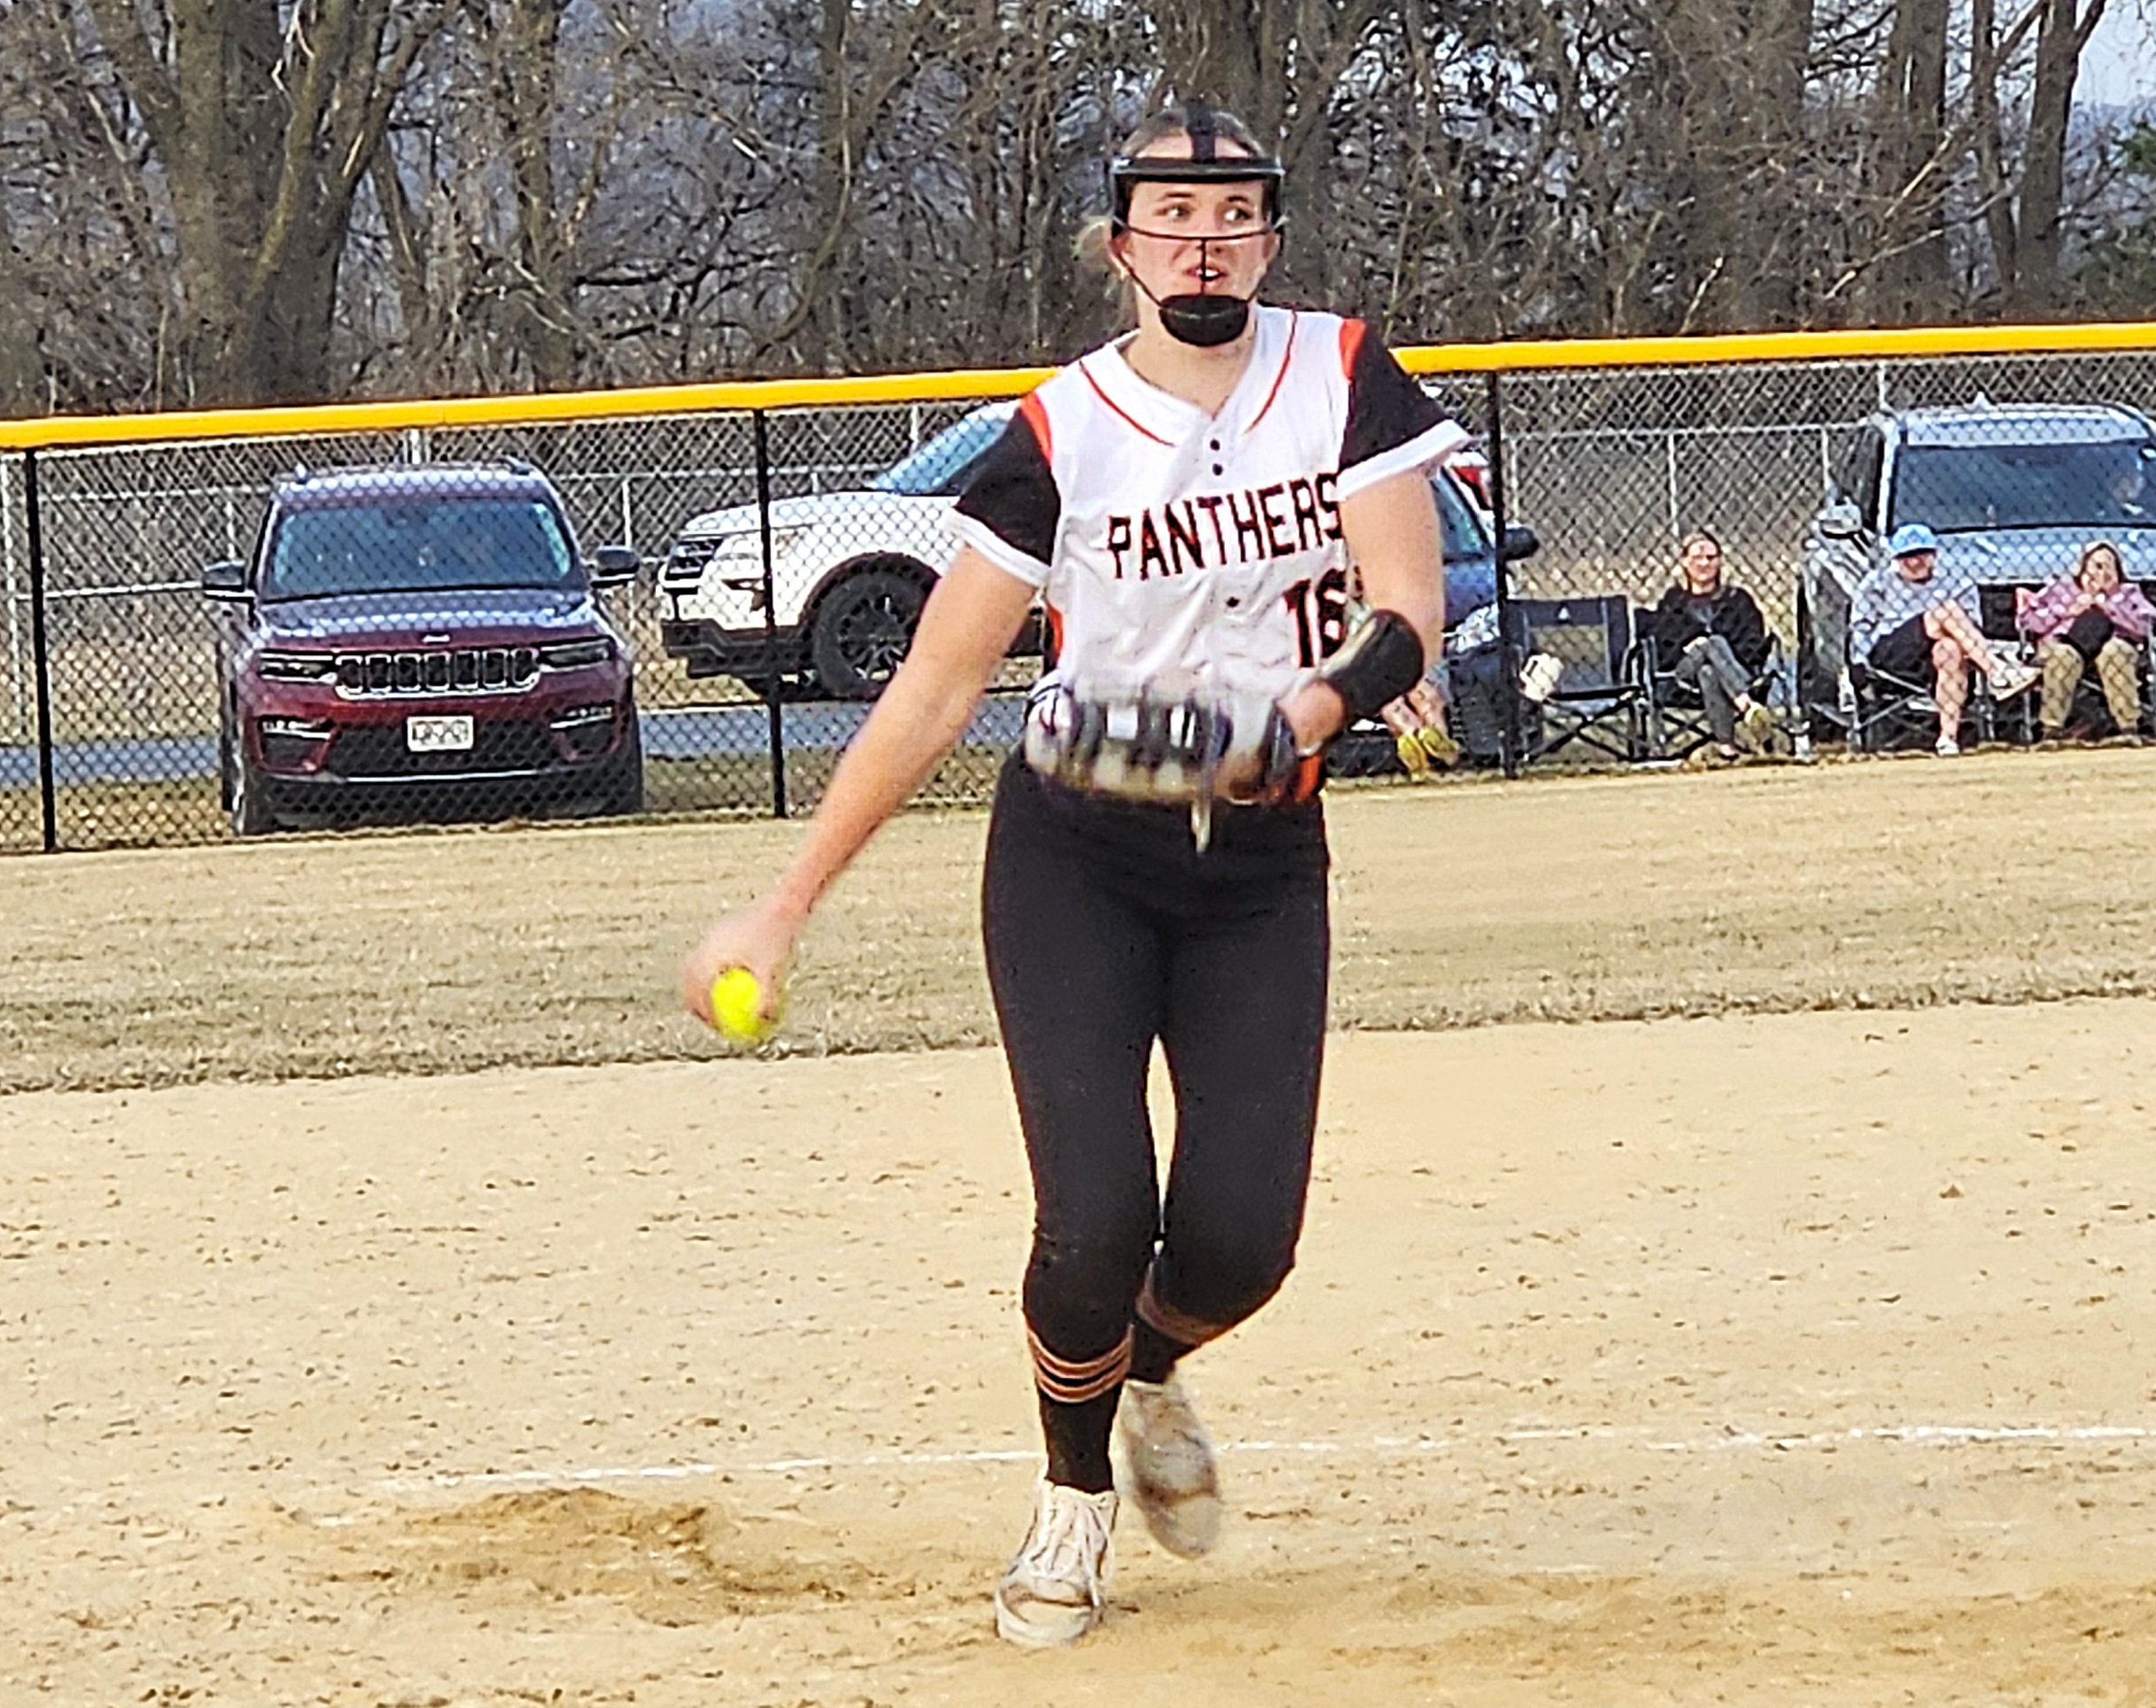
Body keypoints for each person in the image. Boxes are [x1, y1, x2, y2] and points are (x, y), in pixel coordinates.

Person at [680, 100, 1462, 1647]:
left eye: (1233, 213)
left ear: (1270, 234)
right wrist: (786, 901)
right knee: (1094, 1217)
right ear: (1121, 247)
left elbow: (1408, 610)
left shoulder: (1342, 372)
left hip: (1260, 854)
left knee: (1241, 1240)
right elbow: (931, 686)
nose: (1204, 238)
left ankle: (1155, 1359)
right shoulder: (1068, 428)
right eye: (1172, 217)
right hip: (1075, 851)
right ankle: (1073, 1493)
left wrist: (1301, 714)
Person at [1847, 522, 2037, 756]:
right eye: (1907, 556)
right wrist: (1859, 661)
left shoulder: (1957, 581)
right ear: (1895, 558)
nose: (1915, 561)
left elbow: (1971, 626)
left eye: (1922, 554)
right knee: (1944, 611)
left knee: (1949, 650)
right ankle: (1997, 670)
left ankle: (1947, 738)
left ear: (1934, 555)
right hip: (1892, 652)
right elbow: (1861, 626)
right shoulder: (1877, 583)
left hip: (1938, 654)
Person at [1640, 530, 1779, 760]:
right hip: (1684, 678)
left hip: (1735, 673)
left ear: (1720, 561)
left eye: (1711, 558)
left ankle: (1727, 748)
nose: (1704, 563)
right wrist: (1697, 646)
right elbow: (1664, 650)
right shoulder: (1673, 602)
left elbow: (1754, 644)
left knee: (1710, 670)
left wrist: (1720, 655)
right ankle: (1746, 705)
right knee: (1710, 646)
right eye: (1697, 558)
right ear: (1684, 562)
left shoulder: (1739, 600)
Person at [2017, 538, 2153, 739]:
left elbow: (2145, 626)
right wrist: (2067, 611)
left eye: (2109, 566)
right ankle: (2051, 730)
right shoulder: (2061, 589)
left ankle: (2129, 728)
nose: (2102, 572)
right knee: (2063, 654)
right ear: (2082, 568)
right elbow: (2027, 622)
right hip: (2066, 644)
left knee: (2114, 652)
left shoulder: (2129, 593)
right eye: (2096, 566)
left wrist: (2110, 609)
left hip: (2113, 645)